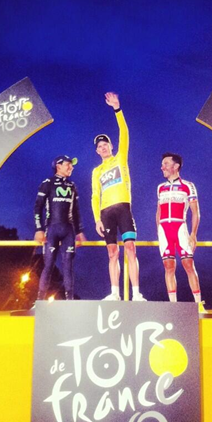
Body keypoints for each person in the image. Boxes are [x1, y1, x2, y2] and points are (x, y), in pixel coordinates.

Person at [91, 92, 145, 301]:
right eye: (99, 147)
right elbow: (95, 196)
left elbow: (124, 132)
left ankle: (137, 294)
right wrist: (97, 219)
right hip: (106, 213)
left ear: (111, 146)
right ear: (97, 151)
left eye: (105, 144)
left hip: (123, 208)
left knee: (130, 249)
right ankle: (114, 293)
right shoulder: (96, 171)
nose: (103, 148)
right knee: (112, 253)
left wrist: (117, 109)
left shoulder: (121, 157)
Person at [156, 153, 206, 311]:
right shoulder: (160, 188)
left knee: (188, 264)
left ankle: (198, 304)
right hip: (164, 230)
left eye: (165, 163)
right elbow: (158, 212)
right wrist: (158, 230)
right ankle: (173, 307)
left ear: (175, 166)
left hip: (180, 228)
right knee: (168, 266)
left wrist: (193, 234)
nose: (162, 167)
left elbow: (195, 212)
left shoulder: (188, 185)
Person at [34, 155, 86, 300]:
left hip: (69, 231)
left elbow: (76, 211)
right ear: (58, 166)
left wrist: (80, 231)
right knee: (48, 265)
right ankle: (39, 301)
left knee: (68, 266)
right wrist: (38, 229)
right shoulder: (47, 183)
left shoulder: (72, 186)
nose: (71, 167)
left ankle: (69, 301)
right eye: (68, 165)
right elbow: (38, 207)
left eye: (72, 165)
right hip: (52, 229)